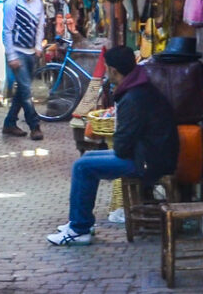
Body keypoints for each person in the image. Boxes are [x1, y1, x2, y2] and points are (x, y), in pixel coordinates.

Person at [47, 45, 180, 246]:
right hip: (147, 154)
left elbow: (122, 146)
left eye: (108, 69)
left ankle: (79, 230)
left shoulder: (134, 96)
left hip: (149, 161)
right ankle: (80, 222)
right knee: (84, 161)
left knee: (83, 167)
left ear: (114, 70)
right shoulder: (139, 87)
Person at [2, 0, 48, 141]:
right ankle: (34, 126)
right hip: (18, 52)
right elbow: (7, 31)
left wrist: (38, 46)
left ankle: (9, 123)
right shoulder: (11, 4)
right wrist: (11, 55)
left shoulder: (38, 4)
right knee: (27, 90)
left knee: (22, 90)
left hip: (31, 53)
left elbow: (40, 26)